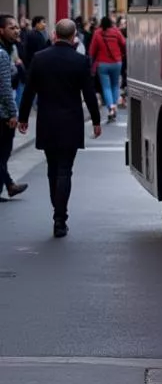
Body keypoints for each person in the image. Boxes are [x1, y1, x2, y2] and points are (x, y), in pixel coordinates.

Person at [18, 18, 101, 238]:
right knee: (65, 169)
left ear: (55, 34)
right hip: (71, 122)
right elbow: (89, 94)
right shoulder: (81, 61)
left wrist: (23, 117)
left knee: (52, 168)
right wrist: (96, 120)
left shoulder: (39, 58)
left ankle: (57, 207)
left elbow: (29, 91)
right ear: (74, 36)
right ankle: (60, 218)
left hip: (47, 120)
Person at [0, 14, 26, 200]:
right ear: (1, 30)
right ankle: (8, 184)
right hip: (2, 112)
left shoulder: (9, 49)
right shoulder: (2, 54)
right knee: (3, 152)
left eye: (17, 27)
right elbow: (4, 87)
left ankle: (7, 185)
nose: (17, 30)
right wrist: (12, 112)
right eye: (12, 27)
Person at [89, 16, 125, 122]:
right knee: (115, 85)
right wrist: (121, 54)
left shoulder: (97, 33)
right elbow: (123, 44)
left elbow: (92, 50)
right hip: (116, 62)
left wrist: (91, 64)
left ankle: (111, 107)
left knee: (106, 87)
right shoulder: (116, 32)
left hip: (102, 64)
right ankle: (114, 106)